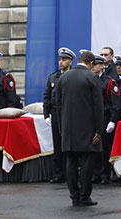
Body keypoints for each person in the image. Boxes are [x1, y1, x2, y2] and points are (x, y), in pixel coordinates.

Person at [53, 51, 104, 207]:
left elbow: (58, 106)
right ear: (90, 63)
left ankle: (74, 195)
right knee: (87, 163)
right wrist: (99, 130)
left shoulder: (63, 78)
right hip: (87, 129)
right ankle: (84, 196)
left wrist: (62, 129)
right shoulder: (92, 77)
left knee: (71, 163)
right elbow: (98, 106)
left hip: (68, 129)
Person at [43, 47, 75, 184]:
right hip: (56, 112)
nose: (61, 62)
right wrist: (46, 114)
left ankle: (71, 173)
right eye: (60, 59)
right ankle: (58, 173)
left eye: (64, 59)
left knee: (69, 144)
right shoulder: (53, 76)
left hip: (70, 113)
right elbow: (47, 97)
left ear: (71, 61)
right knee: (57, 144)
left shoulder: (74, 75)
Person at [91, 53, 120, 185]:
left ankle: (105, 174)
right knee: (93, 147)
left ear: (102, 66)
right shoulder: (90, 79)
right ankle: (95, 173)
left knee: (104, 148)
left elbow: (114, 103)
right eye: (92, 64)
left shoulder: (109, 82)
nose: (93, 67)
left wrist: (113, 120)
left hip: (105, 116)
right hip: (92, 117)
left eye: (96, 64)